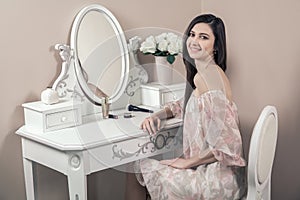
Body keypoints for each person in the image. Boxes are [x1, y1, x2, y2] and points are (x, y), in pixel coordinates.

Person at [125, 14, 247, 200]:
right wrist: (158, 115)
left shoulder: (207, 76)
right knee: (148, 172)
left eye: (203, 37)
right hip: (218, 175)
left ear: (216, 47)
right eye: (192, 34)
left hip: (215, 179)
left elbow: (229, 143)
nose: (194, 41)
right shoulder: (206, 75)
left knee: (136, 169)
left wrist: (187, 162)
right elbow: (185, 105)